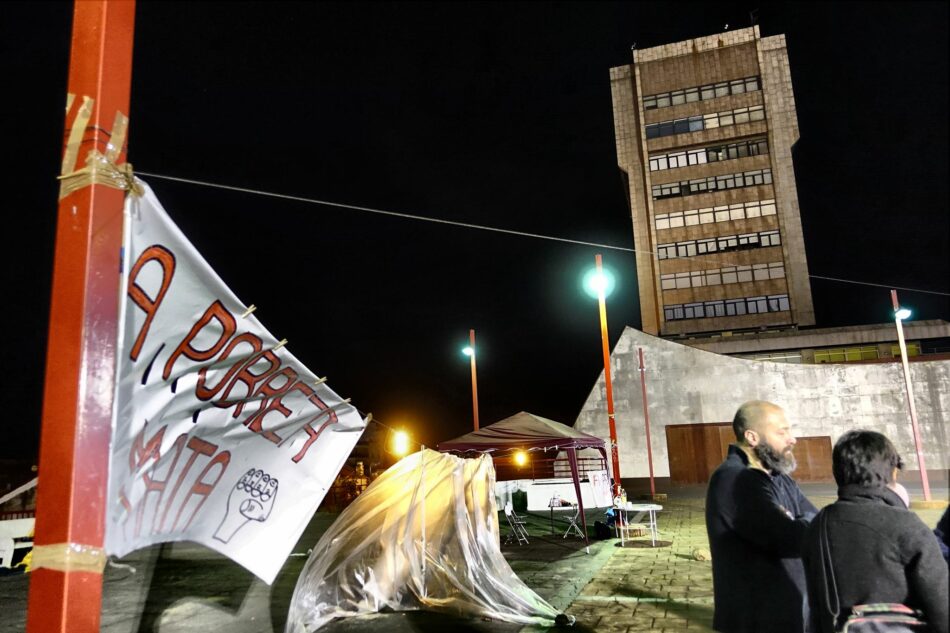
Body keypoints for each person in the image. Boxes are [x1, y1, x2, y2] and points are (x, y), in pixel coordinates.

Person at [801, 430, 948, 633]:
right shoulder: (905, 525)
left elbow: (815, 604)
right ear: (891, 472)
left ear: (837, 472)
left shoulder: (819, 524)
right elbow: (943, 607)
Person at [705, 400, 818, 633]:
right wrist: (799, 524)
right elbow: (788, 538)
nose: (792, 439)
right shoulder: (735, 479)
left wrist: (802, 523)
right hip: (757, 620)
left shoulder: (780, 478)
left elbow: (816, 522)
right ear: (752, 437)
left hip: (788, 616)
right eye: (781, 432)